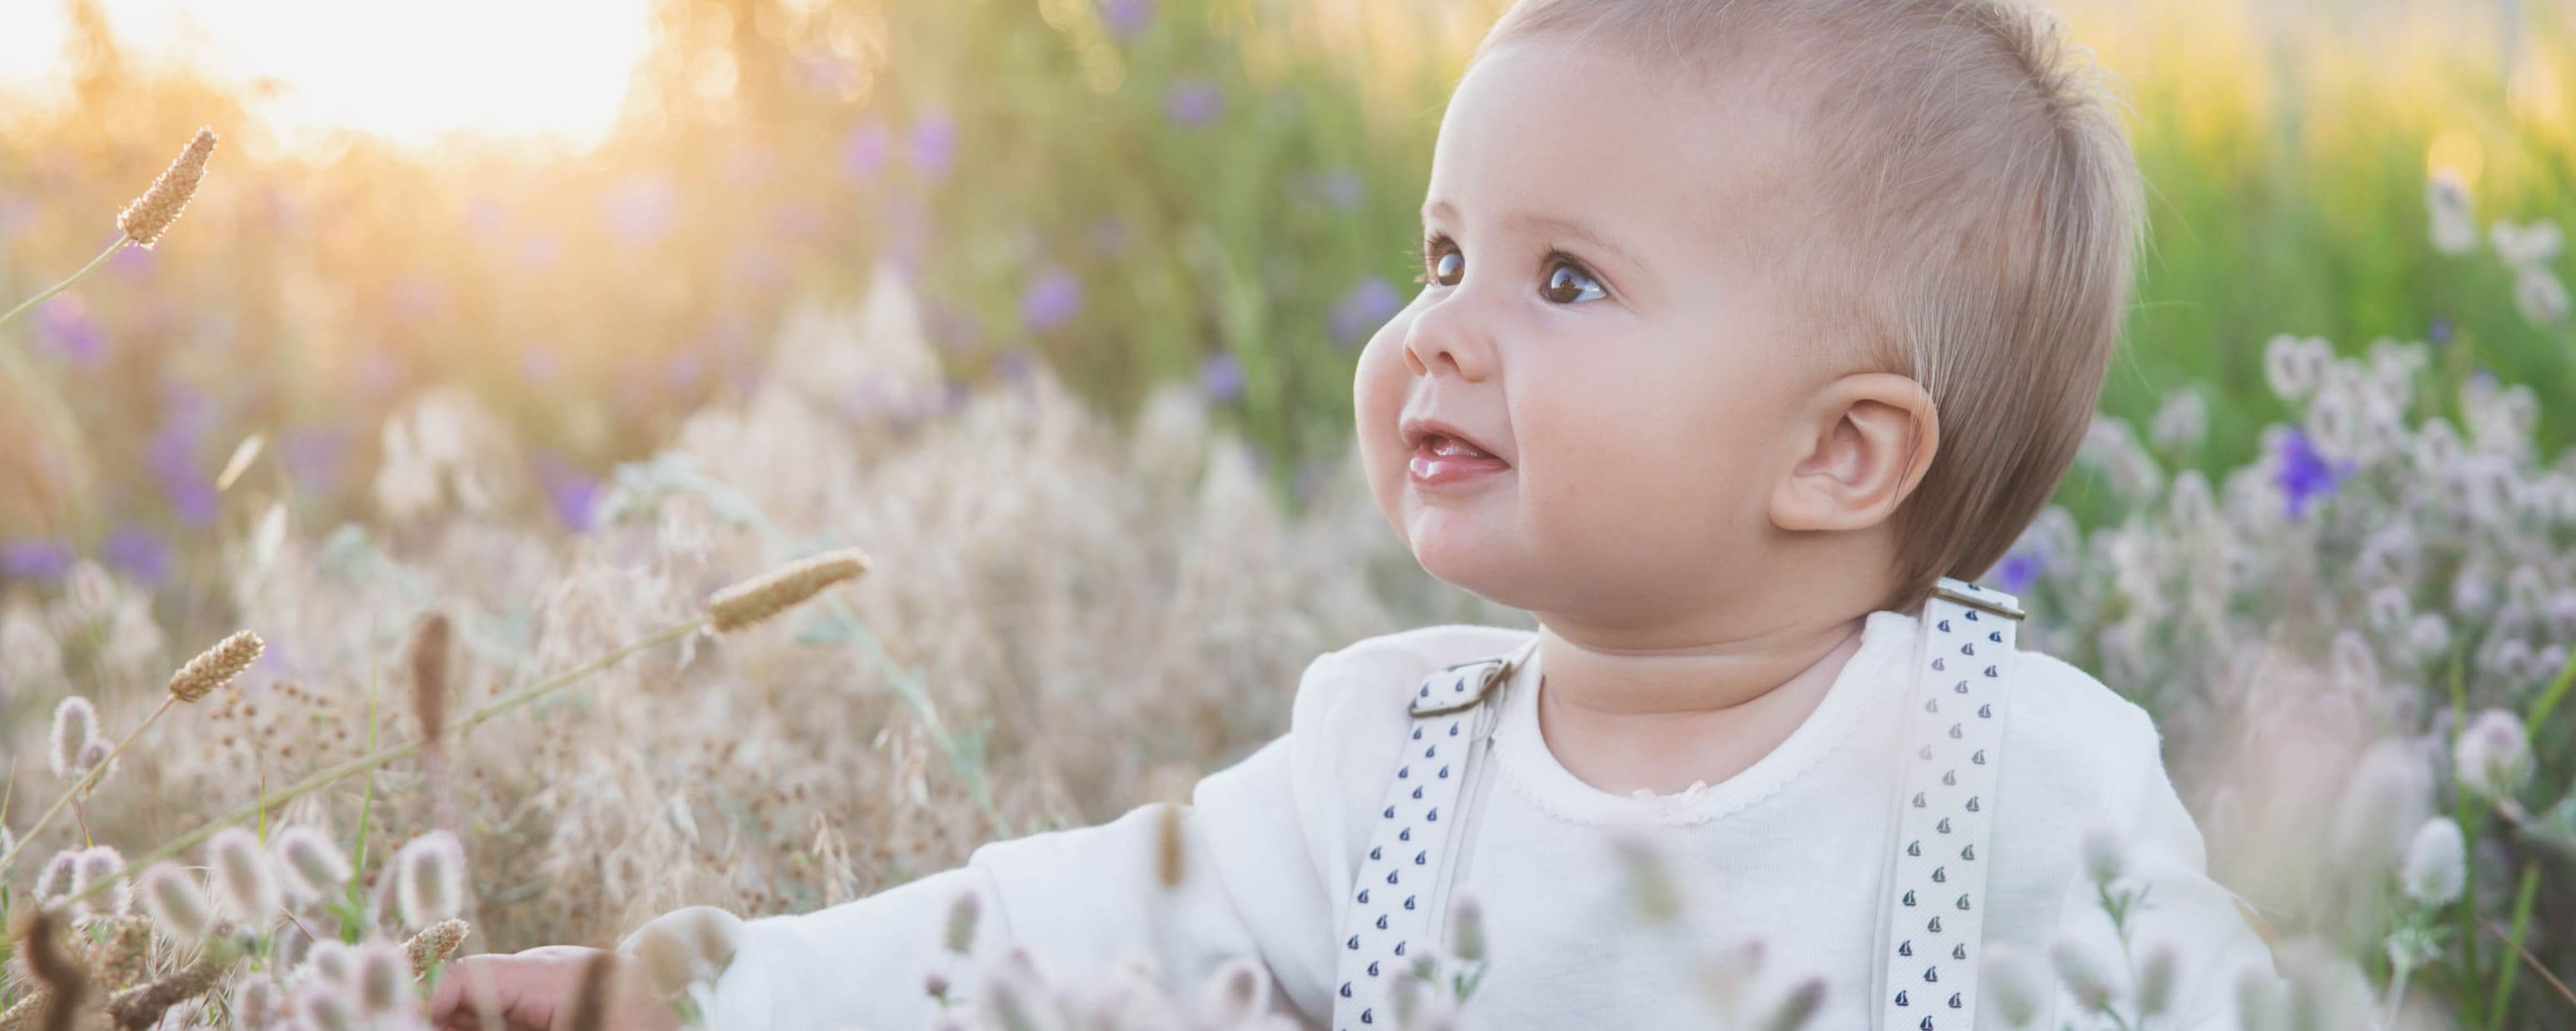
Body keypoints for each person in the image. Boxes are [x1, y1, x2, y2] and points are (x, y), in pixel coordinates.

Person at [431, 0, 2283, 1027]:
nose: (1433, 334)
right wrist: (695, 992)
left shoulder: (2019, 772)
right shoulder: (1392, 754)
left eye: (1564, 284)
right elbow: (1046, 935)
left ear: (1839, 456)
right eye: (1444, 252)